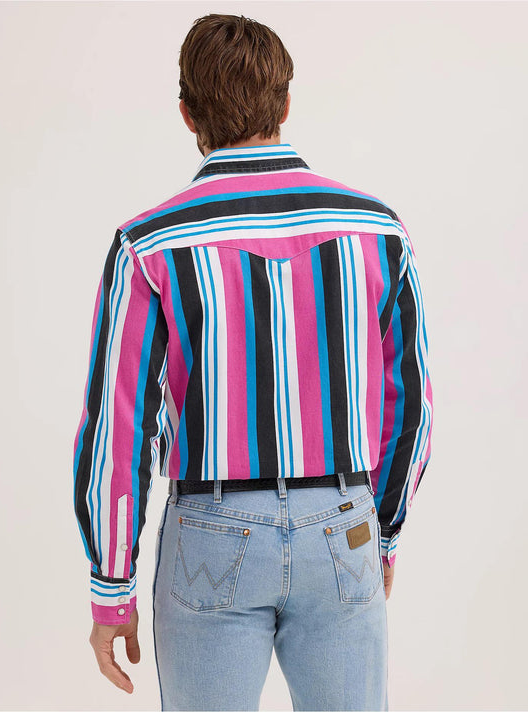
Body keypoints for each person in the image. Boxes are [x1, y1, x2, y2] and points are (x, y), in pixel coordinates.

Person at [73, 12, 433, 711]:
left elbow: (118, 428)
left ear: (186, 113)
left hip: (210, 527)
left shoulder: (149, 244)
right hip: (343, 521)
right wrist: (381, 535)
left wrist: (111, 585)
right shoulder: (375, 229)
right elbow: (410, 407)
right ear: (286, 103)